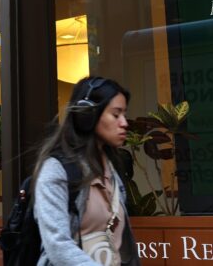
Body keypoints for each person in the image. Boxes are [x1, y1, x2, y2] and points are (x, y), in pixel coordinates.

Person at [32, 76, 140, 266]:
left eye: (124, 114)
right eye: (116, 115)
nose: (124, 123)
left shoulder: (111, 169)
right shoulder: (56, 170)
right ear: (87, 115)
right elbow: (57, 245)